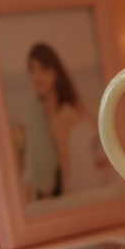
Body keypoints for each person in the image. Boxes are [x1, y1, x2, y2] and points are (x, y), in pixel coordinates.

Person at [27, 43, 113, 197]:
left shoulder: (65, 114)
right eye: (33, 70)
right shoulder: (40, 115)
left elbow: (65, 165)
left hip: (86, 183)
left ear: (55, 72)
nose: (37, 76)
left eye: (44, 69)